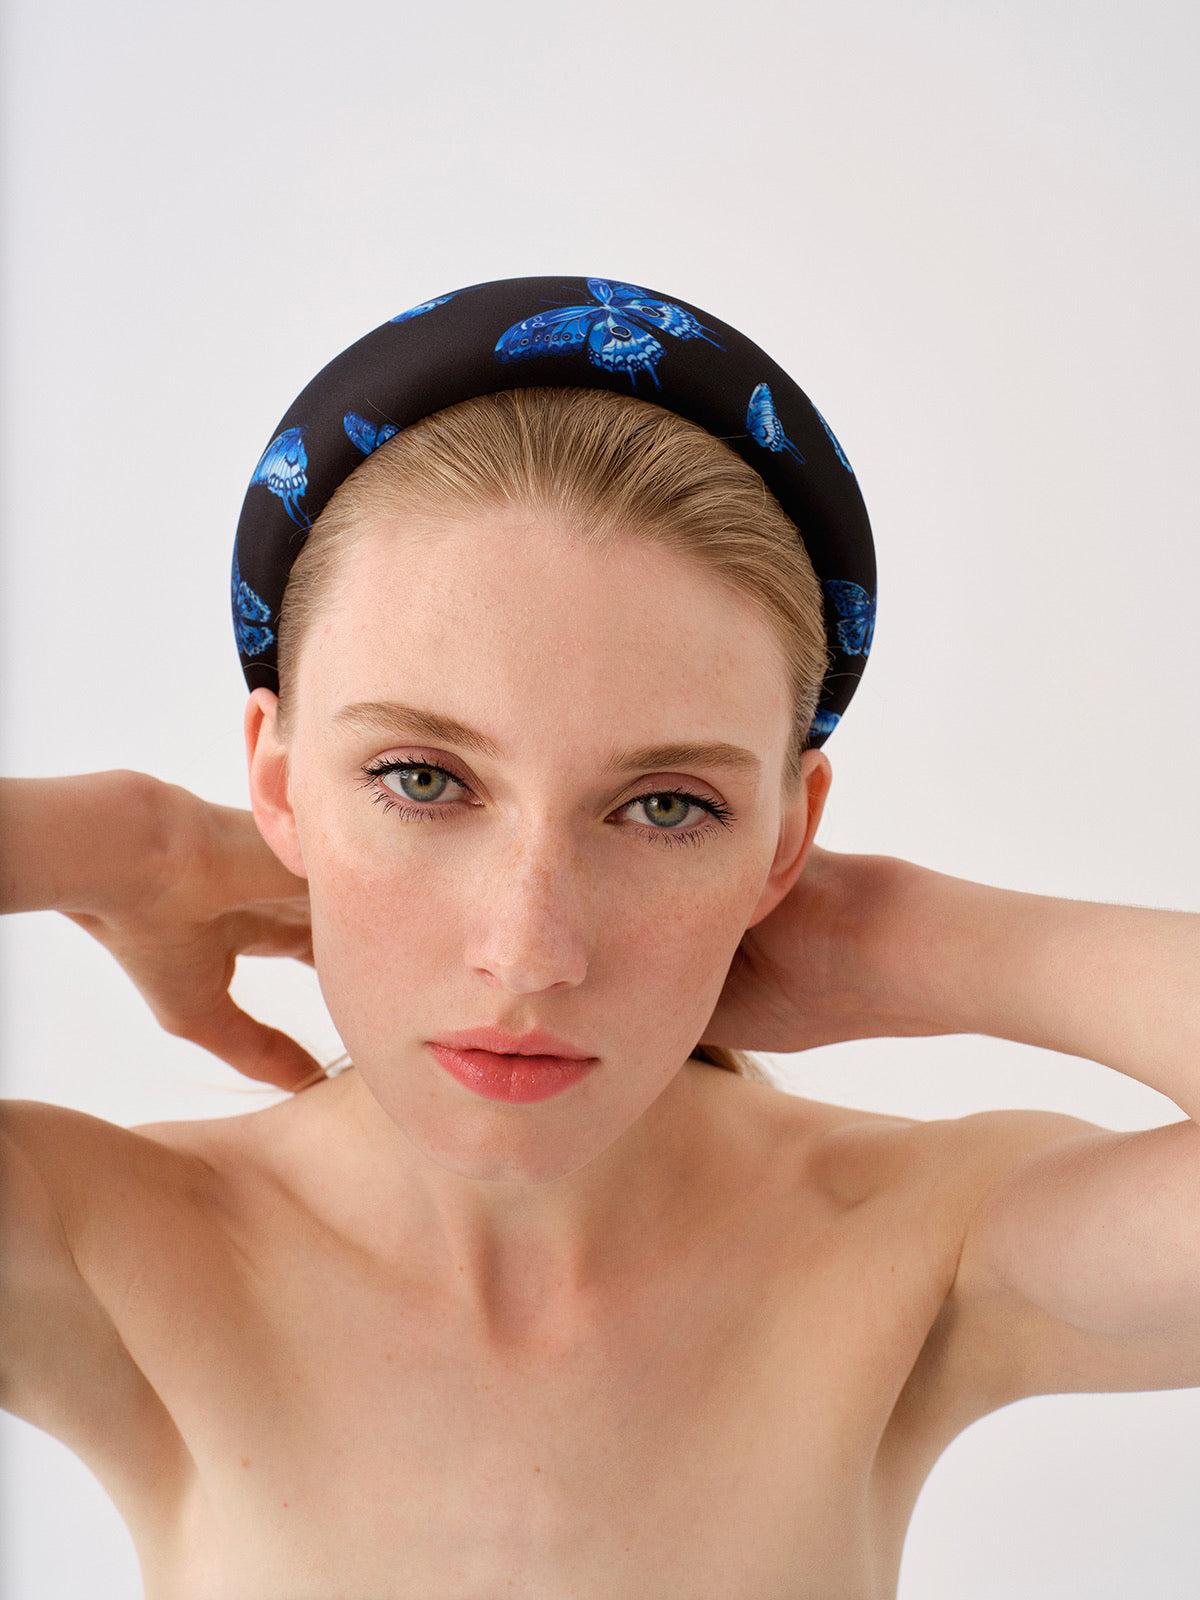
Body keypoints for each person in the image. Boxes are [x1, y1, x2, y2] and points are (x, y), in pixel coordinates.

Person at [1, 275, 1197, 1600]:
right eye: (420, 779)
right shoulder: (111, 1247)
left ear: (787, 837)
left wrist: (898, 935)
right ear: (278, 782)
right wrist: (145, 844)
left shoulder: (910, 1247)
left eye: (668, 806)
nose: (528, 952)